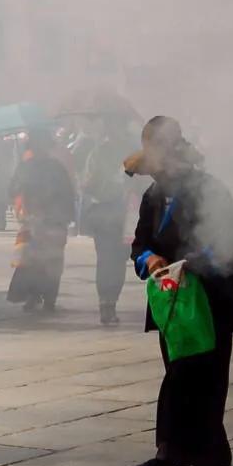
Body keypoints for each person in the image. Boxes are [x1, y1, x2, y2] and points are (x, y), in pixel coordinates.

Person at [126, 116, 233, 466]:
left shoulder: (211, 190)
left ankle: (167, 457)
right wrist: (153, 260)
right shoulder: (153, 196)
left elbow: (231, 242)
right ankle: (211, 452)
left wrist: (192, 264)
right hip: (172, 303)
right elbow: (139, 245)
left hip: (210, 300)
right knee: (185, 375)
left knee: (198, 379)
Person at [7, 132, 77, 313]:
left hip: (51, 221)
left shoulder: (49, 168)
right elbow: (12, 190)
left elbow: (66, 194)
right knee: (34, 261)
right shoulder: (27, 168)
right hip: (35, 221)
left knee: (49, 261)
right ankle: (37, 296)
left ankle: (46, 298)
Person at [77, 124, 138, 325]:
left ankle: (105, 302)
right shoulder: (132, 153)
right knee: (118, 260)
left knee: (105, 259)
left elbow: (87, 185)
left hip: (103, 212)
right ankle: (110, 303)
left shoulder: (96, 154)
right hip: (121, 214)